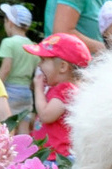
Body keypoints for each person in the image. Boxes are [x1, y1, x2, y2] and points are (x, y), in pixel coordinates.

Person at [27, 32, 90, 160]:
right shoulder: (59, 89)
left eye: (43, 60)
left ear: (62, 67)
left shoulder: (66, 90)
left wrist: (38, 89)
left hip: (57, 159)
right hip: (51, 156)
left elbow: (46, 115)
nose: (39, 65)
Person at [0, 3, 34, 124]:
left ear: (10, 22)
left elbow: (5, 69)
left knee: (8, 126)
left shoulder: (8, 43)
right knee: (24, 126)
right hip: (26, 93)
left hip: (10, 91)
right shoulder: (33, 46)